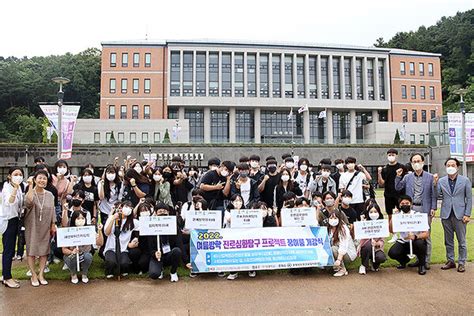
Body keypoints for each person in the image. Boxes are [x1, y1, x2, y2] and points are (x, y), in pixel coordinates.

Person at [395, 153, 436, 269]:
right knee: (412, 234)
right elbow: (398, 188)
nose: (416, 163)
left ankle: (426, 261)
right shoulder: (407, 177)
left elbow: (434, 194)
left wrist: (433, 208)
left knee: (425, 236)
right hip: (411, 209)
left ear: (423, 162)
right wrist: (398, 177)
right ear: (411, 164)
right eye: (414, 161)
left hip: (425, 208)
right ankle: (419, 260)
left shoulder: (430, 177)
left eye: (418, 161)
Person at [437, 157, 472, 273]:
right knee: (448, 240)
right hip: (446, 214)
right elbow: (437, 195)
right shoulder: (441, 181)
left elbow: (469, 198)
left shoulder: (465, 180)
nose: (450, 167)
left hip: (460, 214)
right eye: (448, 165)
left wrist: (467, 214)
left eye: (453, 165)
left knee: (461, 241)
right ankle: (450, 260)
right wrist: (434, 183)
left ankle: (461, 262)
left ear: (457, 167)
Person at [24, 170, 57, 287]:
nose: (42, 180)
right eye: (40, 178)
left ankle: (41, 274)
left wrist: (53, 224)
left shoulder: (50, 195)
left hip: (45, 225)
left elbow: (53, 210)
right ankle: (33, 274)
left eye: (44, 178)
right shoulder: (30, 192)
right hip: (32, 225)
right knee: (31, 250)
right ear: (35, 179)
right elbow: (28, 202)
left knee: (44, 250)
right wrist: (30, 186)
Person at [388, 195, 430, 275]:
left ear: (411, 204)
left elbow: (426, 234)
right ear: (400, 205)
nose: (405, 205)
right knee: (392, 252)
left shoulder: (418, 215)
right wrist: (393, 218)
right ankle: (404, 261)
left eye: (407, 203)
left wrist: (415, 236)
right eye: (403, 203)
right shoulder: (398, 216)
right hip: (404, 241)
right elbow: (392, 231)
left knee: (420, 244)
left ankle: (421, 265)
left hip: (416, 241)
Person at [62, 211, 104, 284]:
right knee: (71, 257)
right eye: (78, 218)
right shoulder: (68, 231)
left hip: (84, 255)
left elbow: (100, 243)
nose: (81, 220)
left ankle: (84, 273)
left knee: (88, 256)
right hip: (71, 255)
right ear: (73, 219)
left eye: (82, 218)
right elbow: (64, 250)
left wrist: (100, 231)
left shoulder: (88, 230)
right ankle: (73, 274)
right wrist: (72, 252)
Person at [147, 203, 185, 282]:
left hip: (169, 254)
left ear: (168, 213)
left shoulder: (174, 226)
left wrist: (186, 261)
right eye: (160, 211)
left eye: (164, 211)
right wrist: (154, 253)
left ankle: (173, 272)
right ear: (155, 213)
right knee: (154, 274)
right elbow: (149, 247)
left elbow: (179, 244)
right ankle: (160, 269)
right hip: (157, 256)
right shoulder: (150, 226)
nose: (162, 213)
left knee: (177, 251)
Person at [1, 167, 24, 288]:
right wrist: (15, 189)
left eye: (20, 174)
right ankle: (7, 278)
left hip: (15, 219)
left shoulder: (20, 186)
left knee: (10, 249)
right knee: (8, 250)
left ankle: (6, 274)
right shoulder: (7, 187)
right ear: (10, 176)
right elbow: (9, 202)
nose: (18, 176)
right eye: (16, 174)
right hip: (8, 220)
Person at [223, 194, 256, 280]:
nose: (238, 202)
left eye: (240, 200)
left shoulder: (246, 211)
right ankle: (233, 272)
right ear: (231, 202)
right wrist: (237, 211)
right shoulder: (227, 211)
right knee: (233, 254)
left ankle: (251, 269)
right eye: (236, 201)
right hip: (231, 236)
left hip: (244, 236)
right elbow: (230, 219)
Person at [103, 201, 137, 278]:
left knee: (124, 263)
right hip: (111, 248)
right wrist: (113, 219)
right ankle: (110, 270)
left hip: (123, 249)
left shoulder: (132, 222)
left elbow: (142, 228)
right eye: (125, 206)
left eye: (130, 208)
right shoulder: (112, 218)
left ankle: (123, 270)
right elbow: (107, 233)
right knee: (111, 262)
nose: (126, 209)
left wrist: (135, 239)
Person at [378, 148, 405, 243]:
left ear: (396, 155)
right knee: (390, 215)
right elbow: (381, 183)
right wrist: (379, 173)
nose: (391, 156)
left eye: (393, 154)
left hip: (400, 195)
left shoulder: (401, 167)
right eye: (389, 154)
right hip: (388, 195)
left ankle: (403, 235)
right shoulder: (385, 168)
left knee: (402, 215)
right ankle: (394, 235)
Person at [357, 202, 386, 275]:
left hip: (377, 248)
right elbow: (361, 239)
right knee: (368, 245)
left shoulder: (381, 224)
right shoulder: (364, 223)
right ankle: (363, 265)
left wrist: (377, 243)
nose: (373, 213)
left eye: (375, 212)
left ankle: (375, 264)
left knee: (381, 257)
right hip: (366, 248)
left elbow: (382, 240)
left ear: (379, 212)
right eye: (371, 212)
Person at [327, 211, 357, 277]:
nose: (333, 220)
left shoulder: (343, 229)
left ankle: (342, 269)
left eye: (335, 218)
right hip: (338, 250)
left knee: (333, 249)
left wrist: (338, 260)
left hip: (348, 253)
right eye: (331, 218)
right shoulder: (329, 228)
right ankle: (335, 267)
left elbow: (343, 246)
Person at [98, 165, 124, 229]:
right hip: (104, 210)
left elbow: (120, 198)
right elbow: (101, 197)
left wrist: (116, 208)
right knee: (105, 227)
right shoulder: (101, 183)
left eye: (112, 172)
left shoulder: (120, 184)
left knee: (115, 228)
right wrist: (102, 185)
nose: (110, 174)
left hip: (115, 210)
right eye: (108, 172)